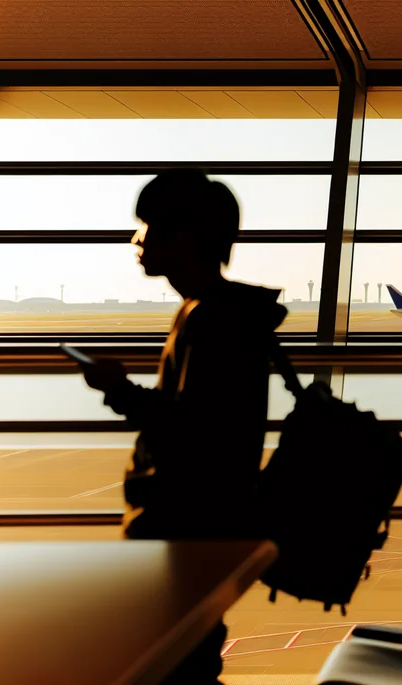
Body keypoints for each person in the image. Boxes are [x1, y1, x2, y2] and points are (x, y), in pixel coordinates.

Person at [75, 169, 287, 684]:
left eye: (148, 226)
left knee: (174, 663)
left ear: (185, 236)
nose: (137, 240)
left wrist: (118, 391)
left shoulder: (210, 320)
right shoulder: (217, 313)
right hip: (203, 519)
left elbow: (195, 432)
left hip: (186, 523)